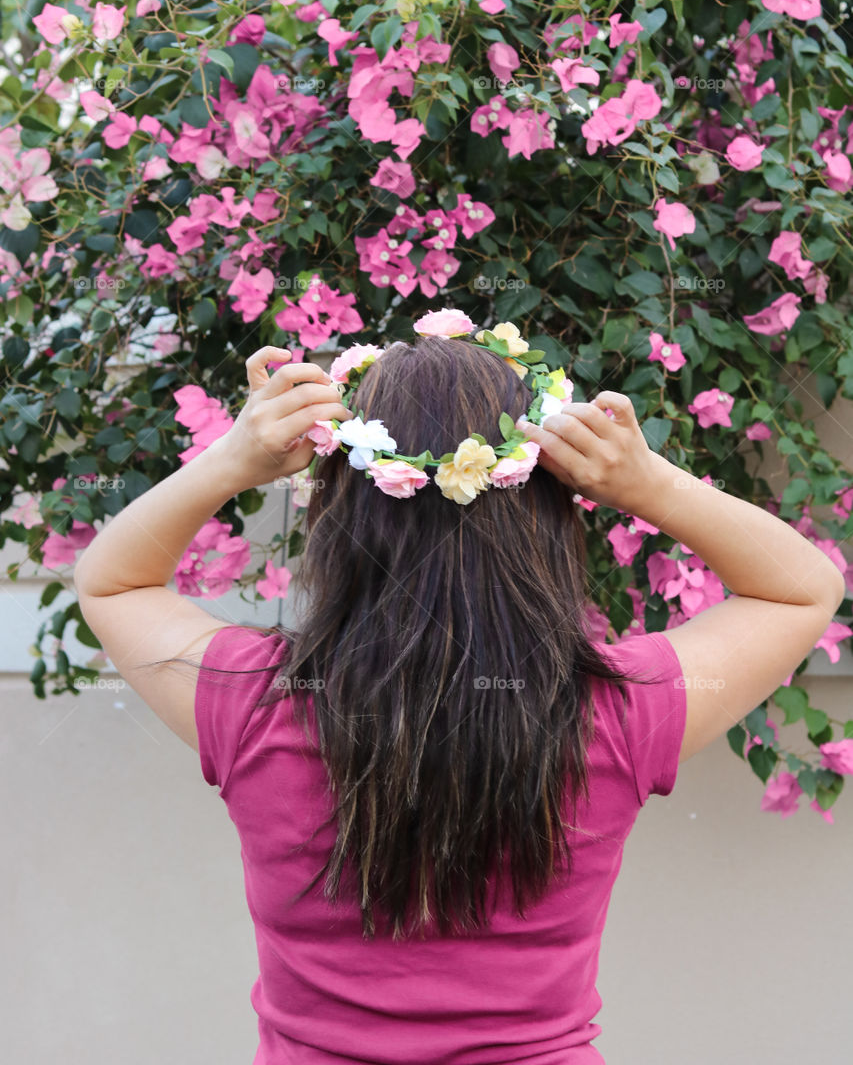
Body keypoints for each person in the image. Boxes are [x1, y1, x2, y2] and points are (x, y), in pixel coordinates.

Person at [74, 322, 846, 1064]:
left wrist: (233, 459)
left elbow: (112, 582)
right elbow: (799, 590)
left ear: (337, 509)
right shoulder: (618, 713)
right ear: (543, 507)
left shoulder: (253, 702)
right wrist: (646, 483)